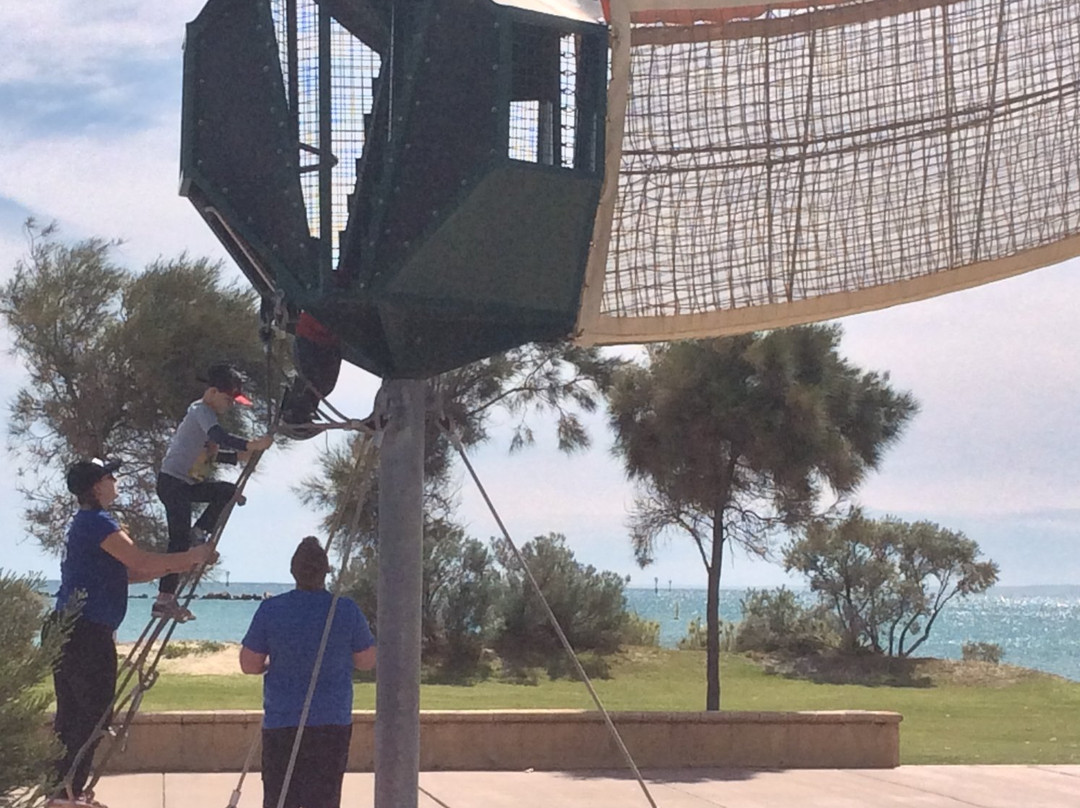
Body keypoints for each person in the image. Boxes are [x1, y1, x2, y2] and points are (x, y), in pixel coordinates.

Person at [47, 458, 216, 808]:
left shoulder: (84, 523)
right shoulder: (99, 522)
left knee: (75, 715)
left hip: (70, 629)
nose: (115, 480)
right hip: (84, 632)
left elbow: (127, 574)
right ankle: (66, 792)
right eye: (110, 476)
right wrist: (191, 555)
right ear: (97, 486)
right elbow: (139, 561)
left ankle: (64, 789)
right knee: (92, 715)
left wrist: (178, 565)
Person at [240, 537, 376, 808]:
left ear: (293, 571)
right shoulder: (345, 610)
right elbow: (367, 660)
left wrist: (271, 665)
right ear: (326, 571)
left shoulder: (271, 609)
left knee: (280, 799)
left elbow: (248, 664)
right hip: (331, 723)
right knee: (324, 800)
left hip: (283, 723)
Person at [154, 362, 273, 621]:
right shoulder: (201, 411)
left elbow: (205, 455)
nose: (229, 406)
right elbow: (219, 436)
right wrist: (250, 445)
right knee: (178, 542)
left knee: (227, 491)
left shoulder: (205, 417)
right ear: (212, 392)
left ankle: (199, 532)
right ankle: (163, 600)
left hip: (183, 484)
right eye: (228, 400)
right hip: (172, 483)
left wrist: (237, 457)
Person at [279, 311, 343, 440]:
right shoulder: (320, 386)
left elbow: (334, 351)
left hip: (323, 321)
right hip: (325, 323)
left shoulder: (320, 386)